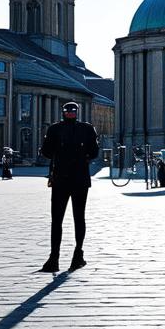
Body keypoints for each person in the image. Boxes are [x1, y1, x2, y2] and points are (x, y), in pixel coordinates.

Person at [39, 102, 100, 272]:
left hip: (61, 178)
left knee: (57, 220)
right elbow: (94, 152)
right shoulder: (87, 129)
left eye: (71, 111)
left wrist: (59, 153)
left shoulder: (54, 129)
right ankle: (77, 255)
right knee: (78, 217)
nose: (71, 113)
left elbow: (46, 152)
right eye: (71, 111)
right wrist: (82, 156)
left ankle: (54, 258)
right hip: (79, 177)